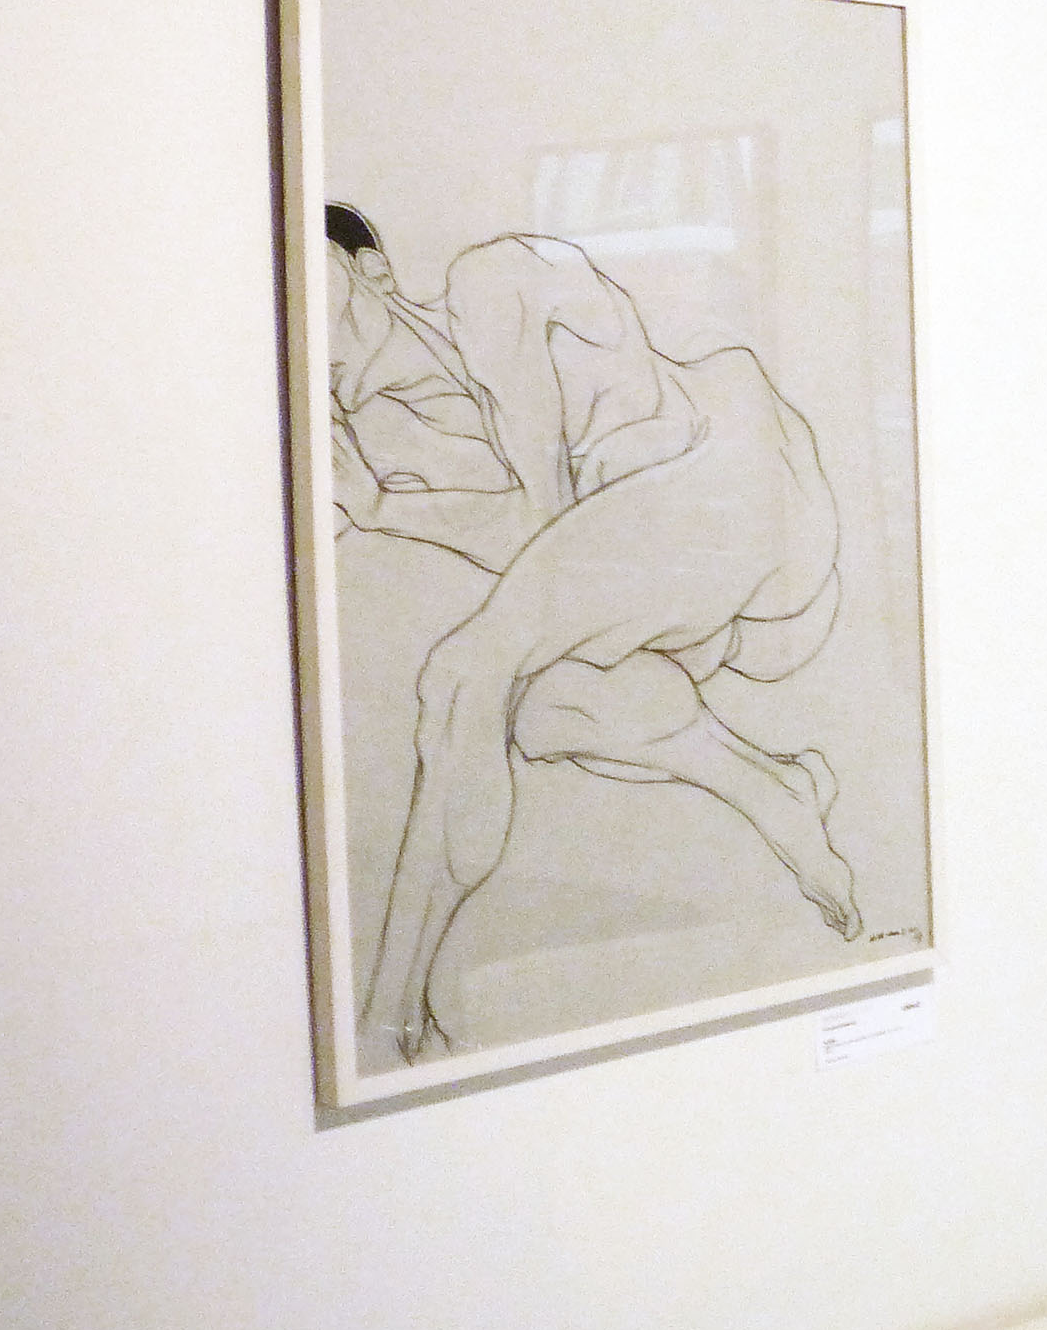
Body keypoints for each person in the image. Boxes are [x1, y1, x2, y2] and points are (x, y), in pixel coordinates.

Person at [324, 204, 855, 1063]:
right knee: (542, 709)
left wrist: (399, 506)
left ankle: (390, 1018)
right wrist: (384, 504)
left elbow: (547, 522)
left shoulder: (492, 280)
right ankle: (774, 788)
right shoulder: (394, 437)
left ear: (370, 270)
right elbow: (553, 553)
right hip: (700, 584)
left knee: (468, 677)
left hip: (736, 485)